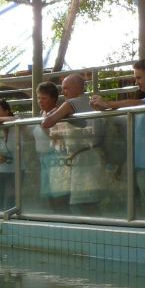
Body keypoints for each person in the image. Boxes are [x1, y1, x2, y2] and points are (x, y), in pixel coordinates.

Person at [91, 57, 145, 218]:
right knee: (141, 212)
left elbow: (137, 104)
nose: (137, 82)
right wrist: (102, 108)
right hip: (141, 166)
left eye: (139, 77)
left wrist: (108, 103)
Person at [50, 74, 106, 216]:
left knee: (80, 205)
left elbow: (47, 121)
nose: (63, 92)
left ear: (76, 87)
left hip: (83, 159)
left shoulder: (71, 103)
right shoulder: (91, 104)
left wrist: (58, 114)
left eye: (66, 88)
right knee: (91, 203)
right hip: (92, 157)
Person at [34, 82, 70, 213]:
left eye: (44, 98)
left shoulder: (57, 114)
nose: (40, 101)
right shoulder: (42, 114)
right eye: (39, 98)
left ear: (53, 98)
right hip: (43, 158)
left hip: (56, 158)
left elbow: (59, 140)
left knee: (59, 193)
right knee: (48, 193)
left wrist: (45, 127)